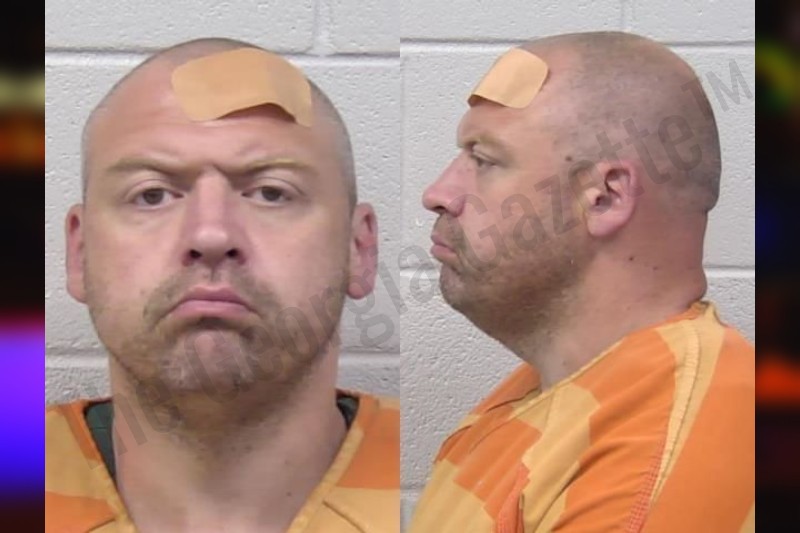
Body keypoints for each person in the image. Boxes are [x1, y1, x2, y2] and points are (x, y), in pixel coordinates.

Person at [45, 38, 399, 533]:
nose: (210, 235)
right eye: (152, 195)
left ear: (359, 250)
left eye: (271, 193)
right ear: (80, 253)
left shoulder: (460, 489)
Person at [410, 31, 754, 532]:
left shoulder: (655, 451)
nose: (438, 193)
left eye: (483, 160)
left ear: (605, 198)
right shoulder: (551, 398)